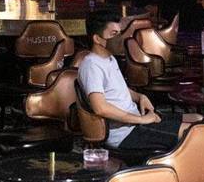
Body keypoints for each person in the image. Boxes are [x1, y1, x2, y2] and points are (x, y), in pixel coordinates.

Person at [78, 8, 184, 151]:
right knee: (194, 133)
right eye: (114, 34)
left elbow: (117, 89)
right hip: (125, 134)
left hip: (136, 123)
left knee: (197, 120)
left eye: (120, 33)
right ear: (97, 39)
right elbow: (100, 108)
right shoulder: (92, 65)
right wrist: (141, 120)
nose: (120, 38)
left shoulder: (109, 58)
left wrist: (140, 96)